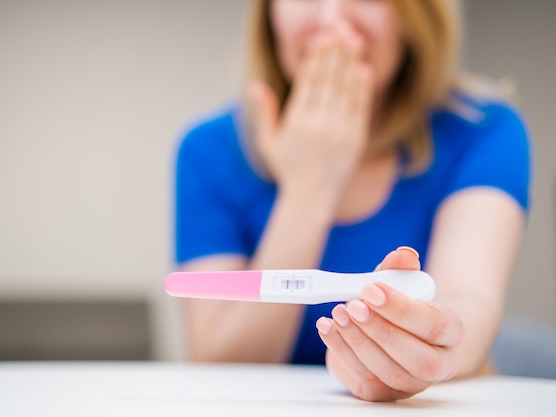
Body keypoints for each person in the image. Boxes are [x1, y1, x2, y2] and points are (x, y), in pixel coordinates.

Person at [173, 0, 531, 402]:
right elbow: (221, 360)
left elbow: (469, 301)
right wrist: (310, 191)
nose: (332, 20)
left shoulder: (482, 130)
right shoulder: (207, 150)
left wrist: (425, 353)